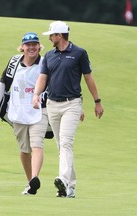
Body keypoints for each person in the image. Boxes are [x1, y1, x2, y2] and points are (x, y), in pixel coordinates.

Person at [33, 21, 104, 198]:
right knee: (61, 146)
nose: (49, 38)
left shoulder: (79, 53)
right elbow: (43, 78)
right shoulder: (49, 55)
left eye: (51, 35)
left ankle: (63, 180)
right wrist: (36, 94)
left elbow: (88, 78)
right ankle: (70, 188)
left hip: (72, 104)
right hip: (52, 104)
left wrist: (97, 101)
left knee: (66, 143)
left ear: (59, 35)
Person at [0, 32, 48, 195]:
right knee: (24, 150)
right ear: (22, 47)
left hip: (39, 110)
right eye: (28, 45)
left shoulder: (45, 63)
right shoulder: (14, 62)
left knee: (37, 144)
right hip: (18, 111)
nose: (31, 47)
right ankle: (30, 183)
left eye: (34, 44)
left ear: (39, 46)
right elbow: (2, 85)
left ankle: (35, 177)